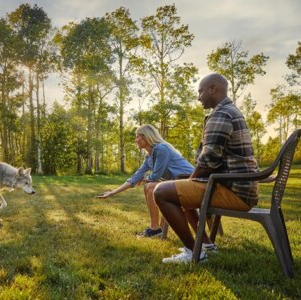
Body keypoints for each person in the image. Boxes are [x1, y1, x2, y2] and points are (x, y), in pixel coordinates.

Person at [154, 73, 259, 263]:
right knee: (179, 187)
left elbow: (209, 159)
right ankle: (206, 244)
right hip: (236, 186)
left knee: (161, 192)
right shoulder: (230, 111)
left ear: (213, 89)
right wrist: (190, 180)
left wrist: (191, 179)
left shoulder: (221, 114)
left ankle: (194, 252)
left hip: (233, 190)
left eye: (200, 91)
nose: (199, 96)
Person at [96, 124, 196, 238]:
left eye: (138, 136)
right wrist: (112, 193)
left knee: (150, 186)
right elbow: (135, 177)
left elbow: (154, 177)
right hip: (177, 185)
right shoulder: (149, 157)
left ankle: (155, 229)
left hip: (190, 184)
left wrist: (144, 179)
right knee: (151, 186)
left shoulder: (161, 148)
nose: (136, 140)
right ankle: (157, 230)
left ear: (146, 137)